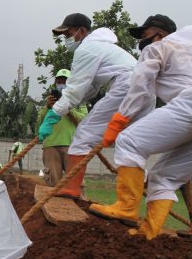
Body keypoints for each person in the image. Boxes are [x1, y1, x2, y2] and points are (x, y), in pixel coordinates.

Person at [90, 16, 192, 240]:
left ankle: (126, 207)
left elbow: (140, 87)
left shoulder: (158, 48)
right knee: (164, 177)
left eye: (145, 35)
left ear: (161, 35)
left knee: (128, 141)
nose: (142, 41)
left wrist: (118, 121)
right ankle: (148, 232)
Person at [37, 13, 137, 199]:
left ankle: (72, 189)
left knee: (83, 134)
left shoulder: (87, 48)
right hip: (142, 87)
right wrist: (64, 105)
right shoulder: (103, 47)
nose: (66, 40)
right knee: (131, 141)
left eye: (68, 34)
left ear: (81, 31)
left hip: (125, 85)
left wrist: (53, 115)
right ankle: (129, 204)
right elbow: (90, 89)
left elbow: (75, 90)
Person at [35, 69, 88, 186]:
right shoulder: (49, 101)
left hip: (72, 145)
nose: (61, 85)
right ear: (55, 83)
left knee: (76, 183)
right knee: (53, 184)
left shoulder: (78, 100)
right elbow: (39, 125)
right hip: (51, 146)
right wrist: (47, 107)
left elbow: (84, 121)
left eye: (65, 82)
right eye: (59, 82)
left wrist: (68, 109)